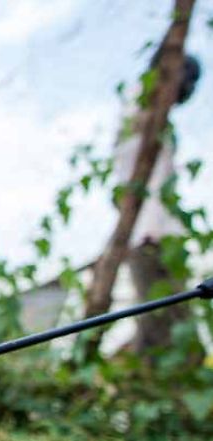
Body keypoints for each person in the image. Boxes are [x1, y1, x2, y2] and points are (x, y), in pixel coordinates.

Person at [115, 54, 202, 356]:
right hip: (147, 237)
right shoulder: (139, 108)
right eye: (183, 78)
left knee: (174, 318)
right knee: (160, 322)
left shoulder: (160, 123)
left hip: (161, 233)